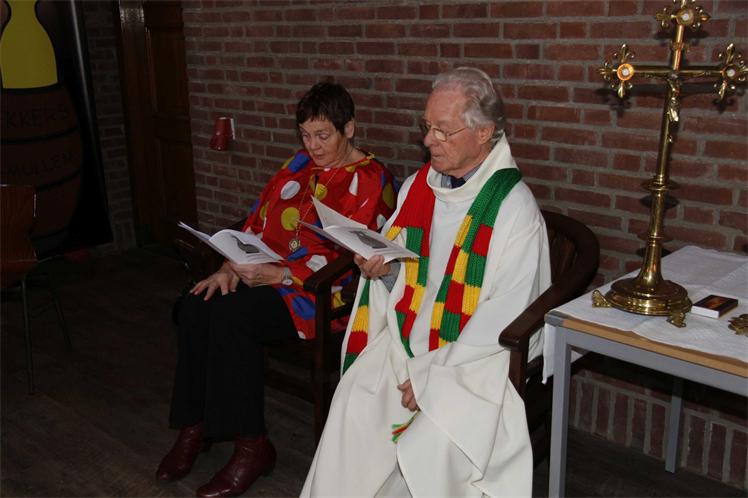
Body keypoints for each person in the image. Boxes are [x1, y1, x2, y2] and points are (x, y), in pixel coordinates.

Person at [302, 67, 551, 497]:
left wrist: (434, 377)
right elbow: (411, 276)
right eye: (426, 127)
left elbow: (507, 312)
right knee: (355, 399)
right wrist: (383, 272)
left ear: (484, 133)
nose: (429, 140)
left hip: (476, 359)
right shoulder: (419, 187)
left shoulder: (513, 209)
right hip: (409, 335)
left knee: (431, 442)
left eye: (443, 130)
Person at [156, 81, 396, 498]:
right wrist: (230, 265)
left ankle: (253, 446)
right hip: (266, 275)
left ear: (349, 129)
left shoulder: (372, 179)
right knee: (197, 303)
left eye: (323, 135)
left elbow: (354, 261)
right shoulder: (298, 163)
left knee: (233, 316)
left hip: (319, 294)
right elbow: (259, 219)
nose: (312, 145)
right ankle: (195, 426)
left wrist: (282, 276)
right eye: (305, 135)